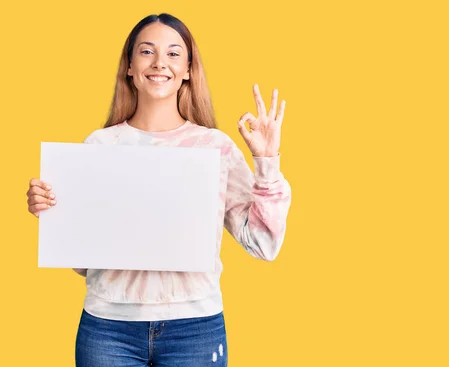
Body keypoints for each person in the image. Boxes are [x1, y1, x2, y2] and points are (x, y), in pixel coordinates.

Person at [26, 13, 291, 367]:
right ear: (130, 67)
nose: (159, 63)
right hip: (109, 328)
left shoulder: (215, 147)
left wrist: (267, 160)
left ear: (187, 70)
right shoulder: (101, 145)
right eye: (147, 51)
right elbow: (84, 264)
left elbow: (263, 244)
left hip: (195, 329)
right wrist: (53, 213)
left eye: (173, 54)